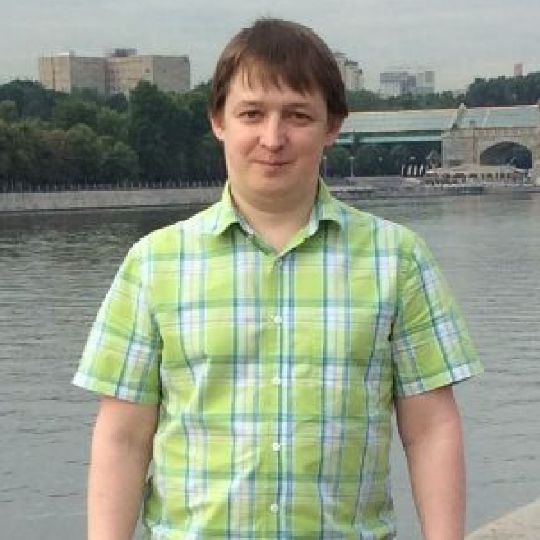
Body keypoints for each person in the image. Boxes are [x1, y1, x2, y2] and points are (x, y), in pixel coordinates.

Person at [73, 18, 483, 539]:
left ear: (332, 126)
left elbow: (430, 429)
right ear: (218, 121)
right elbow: (123, 438)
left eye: (297, 115)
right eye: (252, 114)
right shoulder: (153, 264)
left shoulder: (398, 260)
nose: (273, 138)